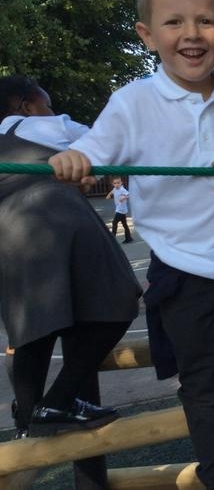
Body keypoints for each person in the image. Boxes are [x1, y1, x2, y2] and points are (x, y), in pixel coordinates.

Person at [48, 0, 214, 490]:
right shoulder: (132, 103)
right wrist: (73, 161)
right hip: (183, 271)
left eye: (205, 21)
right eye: (174, 21)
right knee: (202, 388)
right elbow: (91, 150)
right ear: (147, 34)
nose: (191, 34)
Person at [0, 75, 141, 440]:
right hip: (57, 220)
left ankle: (27, 414)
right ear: (26, 106)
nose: (53, 111)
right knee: (119, 297)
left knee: (34, 325)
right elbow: (106, 145)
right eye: (47, 104)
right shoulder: (44, 126)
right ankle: (56, 402)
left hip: (10, 234)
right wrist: (83, 166)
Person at [106, 176, 134, 243]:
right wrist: (109, 195)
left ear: (121, 183)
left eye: (118, 183)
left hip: (121, 210)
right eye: (115, 183)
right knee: (124, 224)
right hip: (121, 209)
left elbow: (129, 194)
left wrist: (124, 197)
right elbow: (111, 192)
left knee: (114, 222)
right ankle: (129, 238)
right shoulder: (115, 189)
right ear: (113, 184)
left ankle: (113, 239)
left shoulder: (122, 189)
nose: (117, 184)